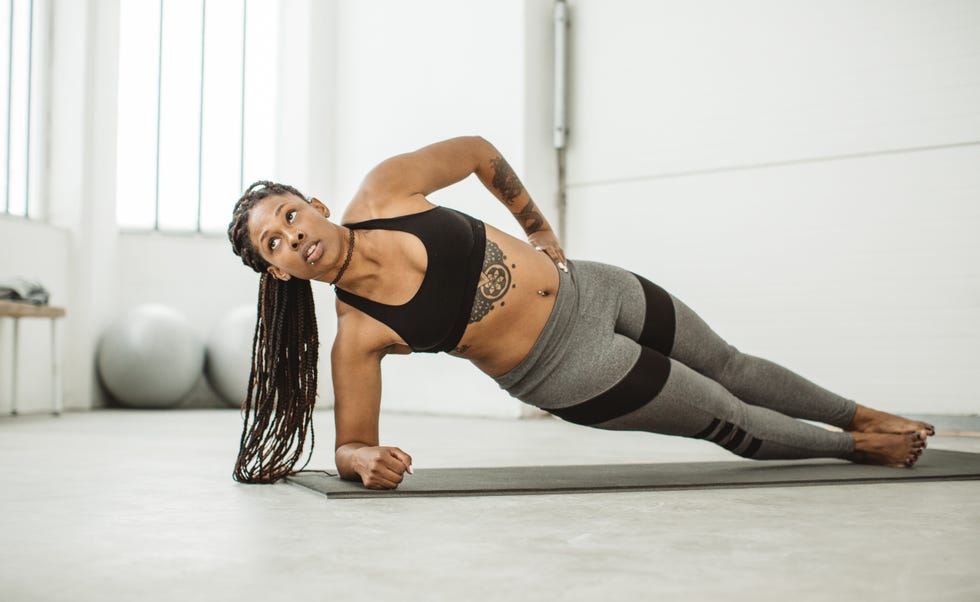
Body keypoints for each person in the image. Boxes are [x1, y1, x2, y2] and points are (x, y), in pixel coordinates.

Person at [227, 136, 934, 488]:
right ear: (279, 271)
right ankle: (857, 447)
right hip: (568, 368)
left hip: (597, 288)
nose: (294, 237)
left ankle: (856, 412)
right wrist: (362, 461)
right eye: (275, 244)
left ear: (315, 204)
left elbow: (476, 152)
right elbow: (351, 441)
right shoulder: (357, 336)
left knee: (733, 364)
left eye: (290, 216)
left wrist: (538, 229)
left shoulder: (385, 189)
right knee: (730, 415)